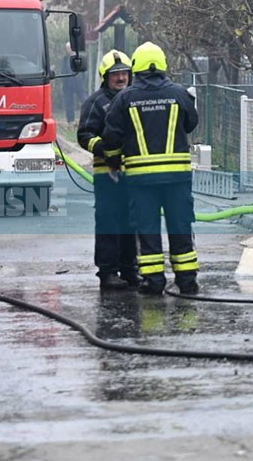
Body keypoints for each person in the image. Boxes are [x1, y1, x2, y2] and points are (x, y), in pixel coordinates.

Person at [102, 42, 201, 296]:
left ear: (136, 67)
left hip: (141, 180)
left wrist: (114, 161)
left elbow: (112, 137)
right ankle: (187, 281)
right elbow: (191, 123)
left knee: (147, 229)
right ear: (163, 65)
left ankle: (154, 281)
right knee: (180, 226)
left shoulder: (125, 98)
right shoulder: (180, 94)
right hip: (177, 178)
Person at [77, 49, 138, 290]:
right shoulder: (96, 102)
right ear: (105, 76)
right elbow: (84, 135)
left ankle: (130, 269)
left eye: (124, 73)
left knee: (131, 222)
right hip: (106, 175)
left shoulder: (135, 98)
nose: (121, 78)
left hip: (133, 173)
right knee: (109, 223)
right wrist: (104, 147)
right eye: (115, 74)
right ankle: (108, 272)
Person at [59, 47, 87, 125]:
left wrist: (83, 81)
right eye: (67, 48)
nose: (69, 50)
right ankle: (70, 121)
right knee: (68, 102)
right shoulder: (65, 59)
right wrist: (63, 81)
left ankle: (88, 115)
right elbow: (63, 70)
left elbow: (84, 71)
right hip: (68, 84)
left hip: (79, 83)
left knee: (84, 100)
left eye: (70, 48)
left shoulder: (79, 57)